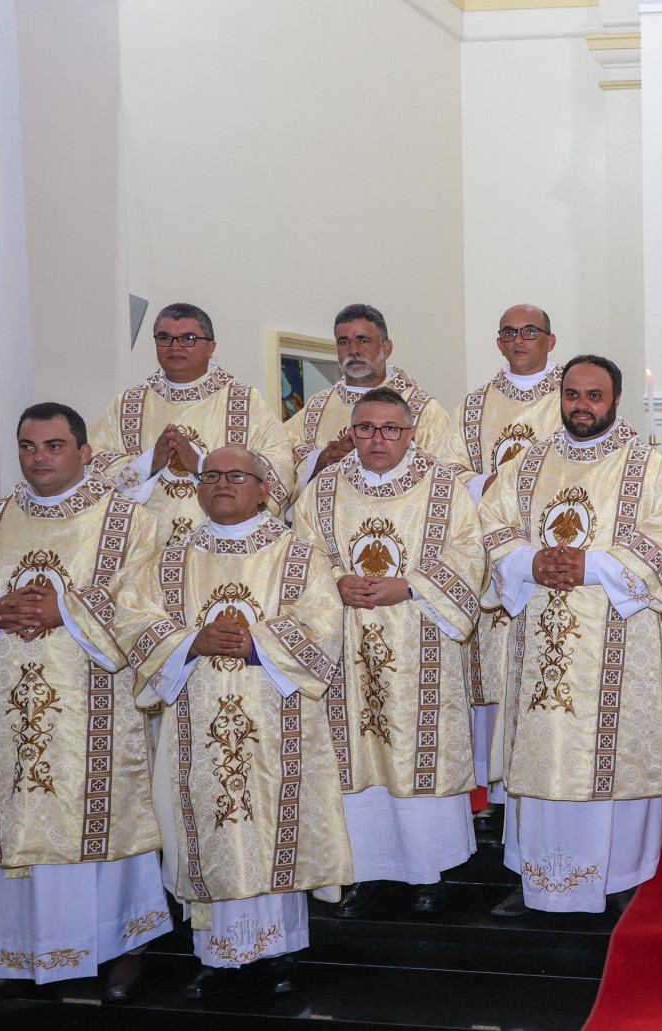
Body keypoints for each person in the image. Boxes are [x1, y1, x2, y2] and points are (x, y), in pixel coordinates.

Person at [116, 445, 350, 997]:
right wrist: (193, 640)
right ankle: (216, 953)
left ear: (264, 488)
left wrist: (254, 643)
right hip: (195, 723)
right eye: (212, 475)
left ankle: (279, 952)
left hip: (278, 721)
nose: (222, 484)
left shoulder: (298, 555)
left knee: (270, 825)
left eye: (236, 475)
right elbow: (132, 619)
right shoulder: (171, 558)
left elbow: (322, 622)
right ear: (197, 488)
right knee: (210, 828)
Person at [0, 404, 168, 1003]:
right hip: (11, 701)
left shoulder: (129, 520)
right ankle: (20, 954)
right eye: (28, 447)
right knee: (20, 817)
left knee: (100, 822)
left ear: (84, 452)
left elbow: (146, 605)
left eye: (54, 446)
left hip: (95, 702)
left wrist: (67, 611)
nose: (39, 459)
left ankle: (117, 950)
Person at [480, 355, 662, 915]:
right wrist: (529, 562)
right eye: (572, 395)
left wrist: (589, 566)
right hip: (541, 641)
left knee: (611, 755)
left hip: (615, 642)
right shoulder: (528, 465)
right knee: (544, 752)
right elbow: (490, 526)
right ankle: (542, 880)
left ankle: (620, 876)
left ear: (615, 400)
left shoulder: (647, 465)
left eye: (593, 396)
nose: (581, 406)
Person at [298, 388, 485, 919]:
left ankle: (430, 870)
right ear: (350, 432)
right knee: (356, 755)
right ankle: (365, 871)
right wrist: (335, 580)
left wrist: (411, 586)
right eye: (365, 429)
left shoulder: (444, 488)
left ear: (410, 434)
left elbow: (471, 555)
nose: (377, 439)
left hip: (419, 640)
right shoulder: (323, 489)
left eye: (390, 429)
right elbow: (298, 559)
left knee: (414, 751)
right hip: (346, 650)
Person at [442, 304, 565, 826]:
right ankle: (495, 793)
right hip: (490, 551)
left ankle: (539, 777)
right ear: (498, 342)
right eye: (510, 333)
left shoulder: (574, 395)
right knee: (491, 670)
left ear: (549, 340)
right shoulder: (474, 405)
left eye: (530, 331)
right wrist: (482, 485)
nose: (519, 340)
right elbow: (447, 469)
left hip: (550, 547)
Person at [90, 302, 295, 546]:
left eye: (187, 338)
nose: (175, 346)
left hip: (220, 546)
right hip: (141, 547)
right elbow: (93, 465)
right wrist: (148, 463)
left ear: (211, 347)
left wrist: (201, 465)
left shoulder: (244, 402)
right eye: (164, 338)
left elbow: (279, 464)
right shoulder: (127, 404)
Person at [285, 303, 453, 491]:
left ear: (387, 348)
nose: (353, 350)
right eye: (344, 342)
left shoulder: (423, 409)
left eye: (363, 340)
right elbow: (279, 457)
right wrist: (319, 461)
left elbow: (444, 475)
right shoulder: (316, 407)